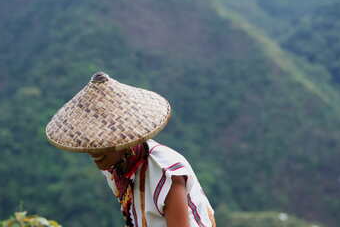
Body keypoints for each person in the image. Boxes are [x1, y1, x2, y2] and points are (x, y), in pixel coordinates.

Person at [45, 72, 216, 227]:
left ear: (124, 141)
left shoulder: (166, 173)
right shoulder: (115, 167)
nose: (93, 151)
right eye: (90, 141)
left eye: (101, 142)